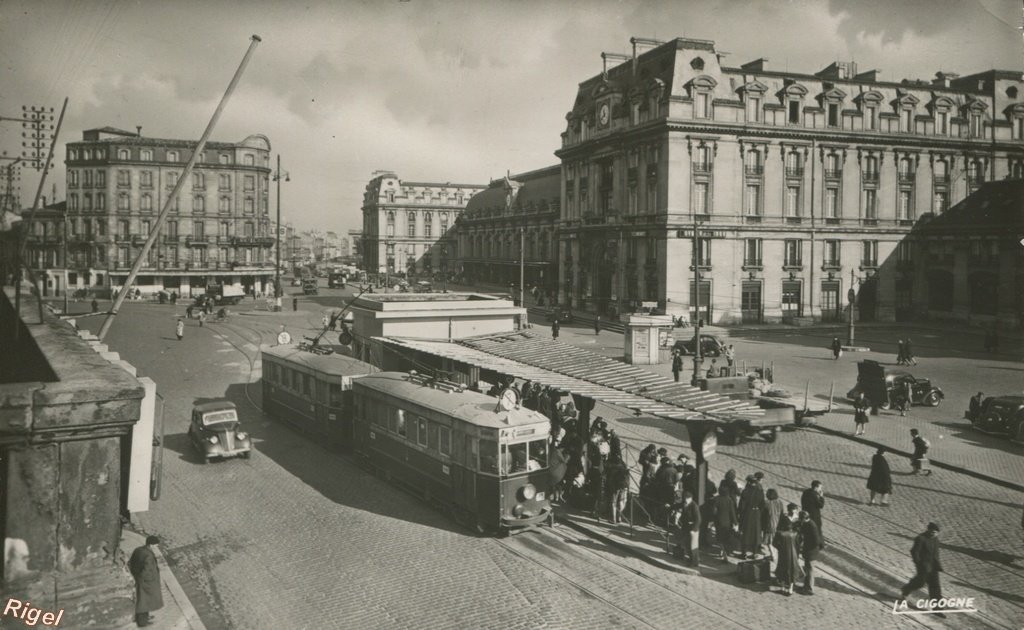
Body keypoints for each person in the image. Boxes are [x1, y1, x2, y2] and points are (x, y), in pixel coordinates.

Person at [899, 523, 944, 615]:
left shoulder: (935, 539)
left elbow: (935, 553)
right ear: (928, 530)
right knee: (920, 583)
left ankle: (938, 609)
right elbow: (914, 552)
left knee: (935, 587)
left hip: (933, 567)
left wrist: (937, 563)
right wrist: (919, 564)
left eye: (935, 532)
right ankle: (906, 589)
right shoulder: (920, 538)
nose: (933, 534)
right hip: (923, 567)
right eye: (932, 532)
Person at [128, 535, 164, 627]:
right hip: (147, 582)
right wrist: (146, 579)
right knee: (144, 601)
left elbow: (130, 562)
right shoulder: (148, 555)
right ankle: (142, 622)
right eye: (156, 545)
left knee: (142, 599)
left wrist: (135, 575)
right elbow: (147, 569)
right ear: (151, 545)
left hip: (138, 578)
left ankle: (144, 617)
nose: (156, 547)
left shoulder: (138, 550)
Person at [738, 474, 765, 559]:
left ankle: (744, 553)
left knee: (745, 533)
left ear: (748, 482)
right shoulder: (760, 492)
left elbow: (741, 506)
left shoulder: (745, 491)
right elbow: (762, 504)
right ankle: (755, 552)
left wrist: (740, 515)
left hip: (747, 513)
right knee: (755, 534)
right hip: (756, 513)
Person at [672, 491, 701, 567]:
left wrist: (694, 530)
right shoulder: (684, 503)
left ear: (690, 498)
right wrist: (670, 507)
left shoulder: (694, 506)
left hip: (693, 529)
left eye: (687, 499)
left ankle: (695, 562)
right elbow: (677, 506)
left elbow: (698, 519)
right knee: (687, 544)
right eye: (684, 499)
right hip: (686, 527)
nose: (685, 500)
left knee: (693, 546)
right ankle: (691, 558)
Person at [773, 519, 800, 596]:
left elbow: (774, 543)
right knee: (791, 571)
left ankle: (783, 588)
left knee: (782, 570)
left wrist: (780, 548)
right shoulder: (795, 534)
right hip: (793, 555)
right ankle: (790, 589)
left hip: (783, 555)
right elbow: (798, 545)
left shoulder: (780, 534)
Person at [712, 486, 739, 561]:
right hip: (727, 522)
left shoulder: (716, 499)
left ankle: (724, 554)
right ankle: (722, 552)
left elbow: (714, 511)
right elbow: (732, 513)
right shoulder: (729, 500)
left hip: (719, 521)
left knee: (719, 538)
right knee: (725, 538)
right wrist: (735, 523)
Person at [797, 511, 820, 595]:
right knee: (807, 569)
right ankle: (805, 587)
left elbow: (816, 541)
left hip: (812, 552)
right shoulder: (806, 523)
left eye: (800, 519)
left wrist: (805, 546)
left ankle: (810, 589)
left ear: (804, 518)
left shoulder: (812, 526)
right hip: (808, 551)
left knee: (810, 570)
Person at [606, 454, 630, 524]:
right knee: (620, 502)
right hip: (623, 487)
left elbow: (610, 479)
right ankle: (619, 518)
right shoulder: (624, 467)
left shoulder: (613, 468)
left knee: (613, 503)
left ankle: (613, 519)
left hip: (615, 487)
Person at [801, 481, 825, 548]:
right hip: (815, 516)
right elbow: (821, 505)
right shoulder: (814, 495)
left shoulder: (806, 492)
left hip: (807, 514)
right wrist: (821, 497)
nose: (821, 489)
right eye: (820, 487)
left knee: (809, 529)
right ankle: (819, 544)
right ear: (816, 487)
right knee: (817, 529)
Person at [762, 488, 785, 561]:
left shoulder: (766, 503)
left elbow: (763, 515)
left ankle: (773, 555)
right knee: (775, 540)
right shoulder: (780, 502)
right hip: (778, 524)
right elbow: (782, 513)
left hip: (769, 524)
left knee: (769, 541)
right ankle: (775, 554)